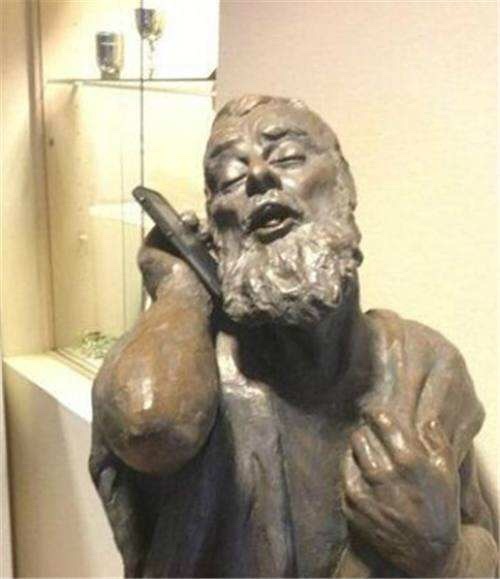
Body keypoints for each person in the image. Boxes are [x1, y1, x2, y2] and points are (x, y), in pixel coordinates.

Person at [90, 95, 497, 578]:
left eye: (287, 157)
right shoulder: (201, 378)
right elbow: (149, 426)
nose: (259, 176)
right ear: (216, 230)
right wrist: (179, 292)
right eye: (230, 179)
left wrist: (441, 555)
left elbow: (483, 542)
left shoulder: (423, 365)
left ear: (344, 185)